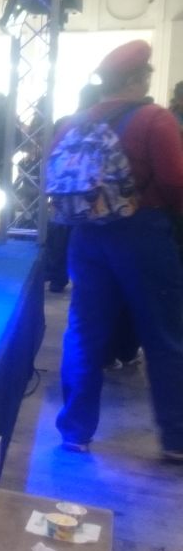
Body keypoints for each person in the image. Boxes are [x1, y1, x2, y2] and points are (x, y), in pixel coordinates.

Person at [51, 40, 183, 461]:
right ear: (137, 79)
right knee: (164, 334)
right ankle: (177, 437)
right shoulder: (155, 119)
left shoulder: (74, 122)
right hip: (142, 233)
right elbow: (175, 181)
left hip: (86, 235)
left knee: (83, 332)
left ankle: (75, 431)